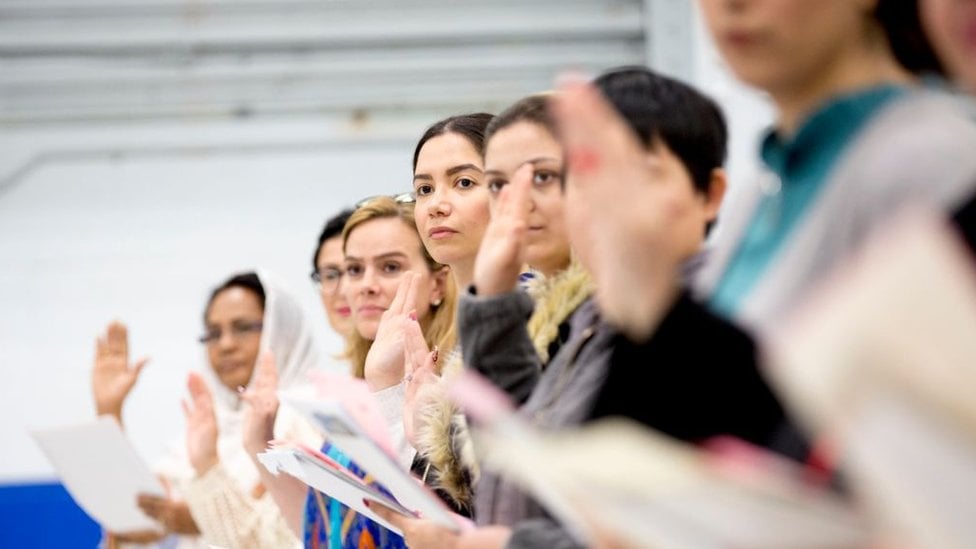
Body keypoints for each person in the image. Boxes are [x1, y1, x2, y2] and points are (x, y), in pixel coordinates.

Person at [368, 67, 747, 549]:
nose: (520, 204)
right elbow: (518, 471)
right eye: (501, 183)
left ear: (709, 194)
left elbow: (658, 528)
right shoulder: (590, 317)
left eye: (546, 177)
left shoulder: (700, 320)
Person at [243, 197, 456, 548]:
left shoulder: (451, 390)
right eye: (354, 270)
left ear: (437, 284)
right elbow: (325, 532)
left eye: (389, 267)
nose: (363, 285)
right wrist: (257, 441)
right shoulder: (355, 393)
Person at [92, 271, 324, 548]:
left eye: (242, 327)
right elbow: (142, 508)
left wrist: (192, 518)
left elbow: (282, 531)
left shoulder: (310, 417)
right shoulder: (208, 428)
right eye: (213, 333)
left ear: (280, 330)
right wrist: (109, 411)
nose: (225, 345)